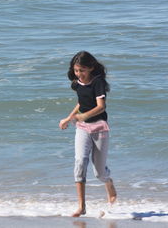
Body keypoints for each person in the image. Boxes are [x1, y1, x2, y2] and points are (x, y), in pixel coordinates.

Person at [59, 51, 116, 217]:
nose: (79, 74)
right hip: (83, 128)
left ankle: (109, 184)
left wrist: (84, 115)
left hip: (99, 127)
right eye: (76, 70)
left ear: (91, 68)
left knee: (99, 172)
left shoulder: (98, 83)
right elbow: (81, 102)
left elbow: (101, 107)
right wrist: (68, 118)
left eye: (82, 70)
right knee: (80, 163)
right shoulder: (77, 83)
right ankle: (82, 207)